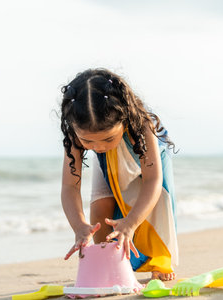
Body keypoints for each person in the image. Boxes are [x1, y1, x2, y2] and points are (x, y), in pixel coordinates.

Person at [59, 68, 178, 281]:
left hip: (148, 156)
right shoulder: (77, 136)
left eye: (107, 139)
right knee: (99, 209)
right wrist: (79, 227)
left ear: (123, 120)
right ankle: (109, 261)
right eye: (88, 141)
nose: (97, 147)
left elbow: (152, 181)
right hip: (108, 162)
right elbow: (70, 187)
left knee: (158, 201)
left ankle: (160, 260)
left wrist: (131, 222)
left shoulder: (142, 126)